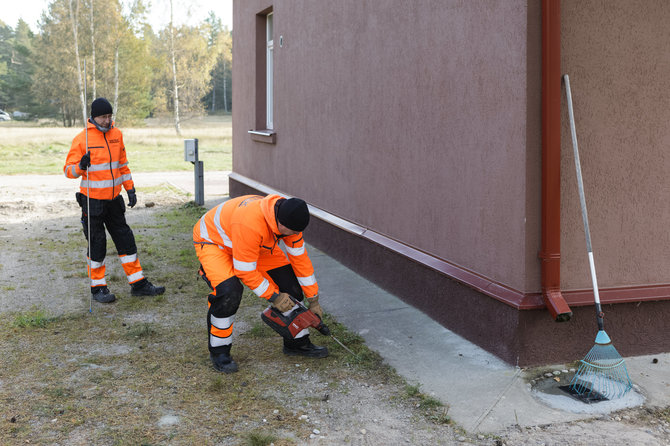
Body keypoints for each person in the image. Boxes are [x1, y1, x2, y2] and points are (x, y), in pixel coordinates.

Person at [193, 194, 327, 373]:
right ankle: (220, 352)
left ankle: (297, 343)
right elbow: (245, 270)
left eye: (297, 233)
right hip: (215, 241)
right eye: (292, 232)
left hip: (254, 242)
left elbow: (300, 260)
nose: (294, 236)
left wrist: (313, 299)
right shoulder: (250, 222)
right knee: (229, 292)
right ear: (280, 224)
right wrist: (274, 296)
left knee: (290, 286)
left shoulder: (290, 222)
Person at [63, 97, 165, 303]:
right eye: (103, 117)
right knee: (97, 244)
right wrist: (81, 166)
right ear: (93, 117)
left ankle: (138, 284)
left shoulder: (117, 135)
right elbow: (68, 171)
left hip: (114, 201)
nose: (107, 121)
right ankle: (98, 288)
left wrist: (131, 189)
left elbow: (123, 166)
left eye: (110, 116)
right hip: (92, 202)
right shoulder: (82, 139)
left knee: (126, 241)